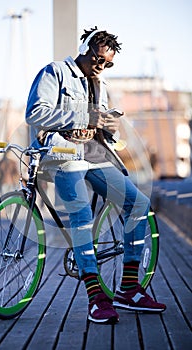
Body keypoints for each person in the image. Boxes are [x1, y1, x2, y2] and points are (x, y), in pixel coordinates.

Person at [25, 26, 166, 324]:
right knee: (81, 217)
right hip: (63, 154)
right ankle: (96, 296)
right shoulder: (55, 72)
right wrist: (81, 117)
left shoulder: (100, 83)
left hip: (95, 154)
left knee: (138, 204)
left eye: (108, 64)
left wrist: (108, 128)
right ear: (86, 48)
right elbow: (35, 112)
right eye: (98, 59)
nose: (101, 66)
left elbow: (99, 123)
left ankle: (128, 288)